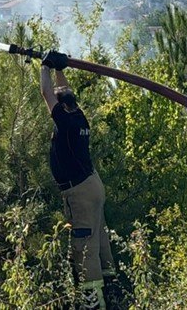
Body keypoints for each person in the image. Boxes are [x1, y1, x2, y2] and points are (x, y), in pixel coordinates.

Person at [40, 51, 117, 310]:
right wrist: (60, 67)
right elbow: (63, 91)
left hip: (79, 191)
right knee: (99, 237)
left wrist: (45, 66)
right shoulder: (79, 116)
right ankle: (113, 288)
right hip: (93, 184)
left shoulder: (64, 120)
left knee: (84, 245)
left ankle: (92, 302)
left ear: (61, 107)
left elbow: (47, 94)